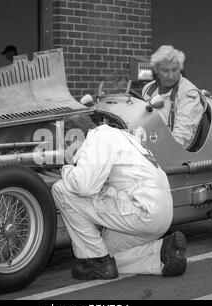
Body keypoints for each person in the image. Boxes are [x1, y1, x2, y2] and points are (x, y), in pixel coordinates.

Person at [51, 114, 187, 280]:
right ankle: (161, 253)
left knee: (62, 189)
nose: (67, 152)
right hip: (161, 214)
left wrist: (66, 170)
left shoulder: (98, 137)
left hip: (141, 209)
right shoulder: (120, 135)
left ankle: (96, 261)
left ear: (75, 136)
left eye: (67, 145)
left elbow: (83, 186)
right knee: (106, 251)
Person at [142, 45, 206, 149]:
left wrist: (161, 150)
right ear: (156, 70)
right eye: (165, 71)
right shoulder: (148, 89)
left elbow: (182, 136)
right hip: (151, 144)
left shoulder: (189, 93)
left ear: (180, 69)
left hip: (175, 153)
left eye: (175, 70)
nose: (171, 76)